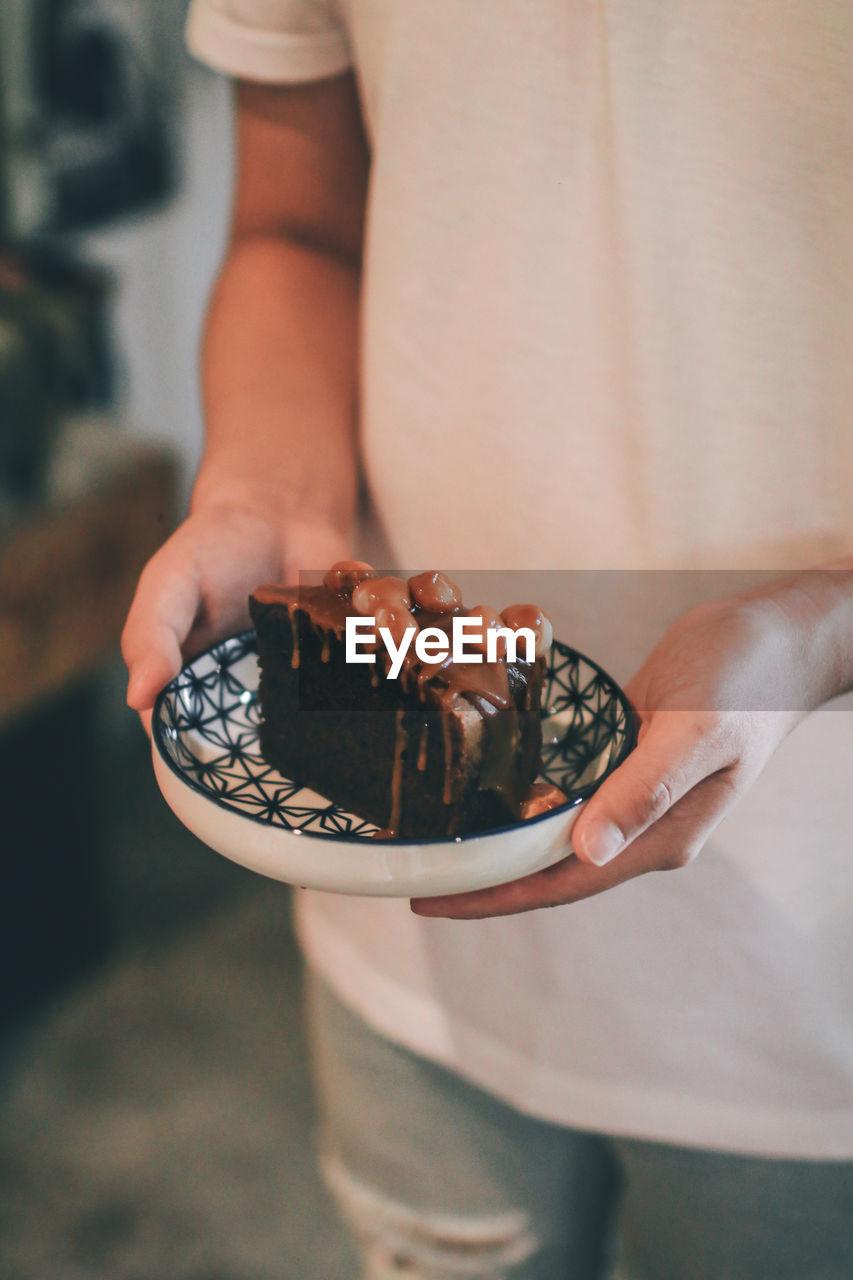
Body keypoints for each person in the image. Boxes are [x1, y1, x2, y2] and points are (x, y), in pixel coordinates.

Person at [122, 3, 853, 1276]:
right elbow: (298, 225)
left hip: (810, 968)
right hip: (389, 882)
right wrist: (258, 498)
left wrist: (817, 626)